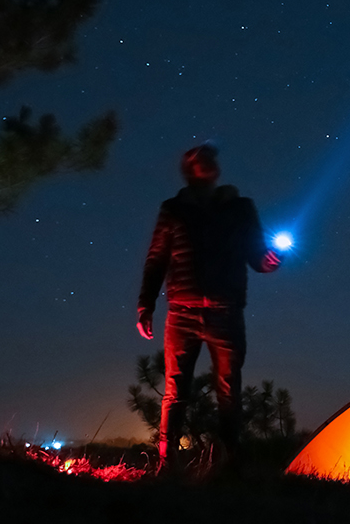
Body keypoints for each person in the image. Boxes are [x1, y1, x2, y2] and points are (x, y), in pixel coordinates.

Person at [137, 143, 280, 475]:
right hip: (182, 314)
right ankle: (166, 463)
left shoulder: (240, 208)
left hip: (225, 312)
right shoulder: (173, 209)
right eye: (200, 159)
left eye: (211, 158)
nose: (208, 162)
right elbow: (157, 259)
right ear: (189, 169)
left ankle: (229, 462)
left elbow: (256, 256)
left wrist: (270, 261)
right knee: (175, 390)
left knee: (229, 390)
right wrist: (146, 305)